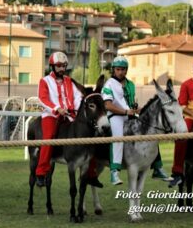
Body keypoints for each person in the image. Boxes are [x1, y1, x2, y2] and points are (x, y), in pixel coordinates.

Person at [35, 51, 102, 188]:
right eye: (59, 66)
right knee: (48, 137)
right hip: (51, 115)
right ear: (52, 66)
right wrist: (57, 108)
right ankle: (41, 173)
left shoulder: (69, 81)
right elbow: (42, 99)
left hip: (69, 115)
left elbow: (78, 97)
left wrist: (75, 109)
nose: (62, 69)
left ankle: (91, 174)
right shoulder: (44, 81)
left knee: (91, 135)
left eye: (64, 66)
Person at [102, 55, 171, 185]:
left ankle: (157, 167)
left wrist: (137, 109)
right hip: (115, 116)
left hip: (130, 115)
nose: (121, 72)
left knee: (151, 132)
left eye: (123, 69)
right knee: (118, 137)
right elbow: (107, 105)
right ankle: (115, 172)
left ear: (126, 70)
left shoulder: (131, 84)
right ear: (113, 70)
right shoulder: (109, 84)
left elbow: (130, 103)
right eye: (118, 69)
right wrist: (125, 111)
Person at [169, 56, 193, 187]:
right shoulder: (186, 84)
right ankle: (177, 171)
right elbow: (182, 105)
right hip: (191, 117)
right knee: (182, 135)